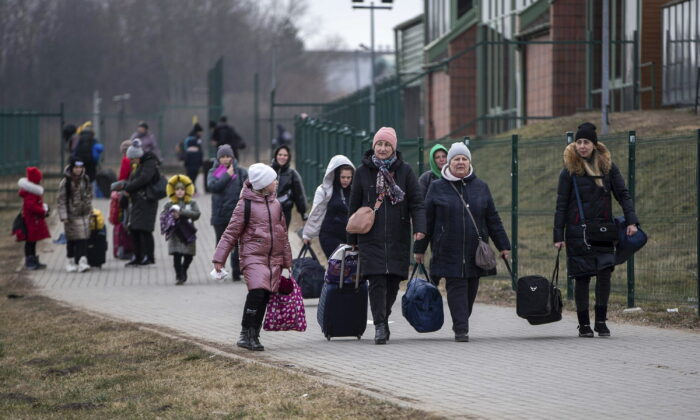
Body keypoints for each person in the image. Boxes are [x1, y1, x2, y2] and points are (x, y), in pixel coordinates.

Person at [414, 142, 511, 342]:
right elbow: (427, 221)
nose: (460, 162)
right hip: (447, 248)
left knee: (471, 290)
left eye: (464, 159)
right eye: (456, 159)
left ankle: (461, 320)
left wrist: (503, 245)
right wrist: (419, 249)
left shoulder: (481, 187)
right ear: (449, 163)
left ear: (469, 162)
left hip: (474, 250)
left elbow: (492, 218)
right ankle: (461, 328)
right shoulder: (437, 187)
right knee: (456, 286)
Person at [554, 122, 639, 338]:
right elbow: (561, 205)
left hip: (603, 230)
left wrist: (632, 221)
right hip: (577, 232)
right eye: (579, 142)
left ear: (594, 144)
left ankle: (601, 321)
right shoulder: (569, 172)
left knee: (604, 275)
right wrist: (558, 236)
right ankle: (584, 324)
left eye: (586, 142)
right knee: (581, 277)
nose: (582, 146)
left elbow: (623, 194)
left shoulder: (608, 168)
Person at [348, 127, 426, 345]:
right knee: (377, 280)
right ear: (374, 146)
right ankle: (380, 325)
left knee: (393, 281)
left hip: (398, 236)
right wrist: (351, 240)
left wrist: (419, 228)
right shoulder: (362, 172)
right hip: (369, 237)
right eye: (379, 144)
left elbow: (417, 203)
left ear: (394, 148)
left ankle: (384, 315)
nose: (382, 149)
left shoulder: (406, 172)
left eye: (387, 145)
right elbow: (353, 207)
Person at [212, 163, 293, 352]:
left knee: (265, 296)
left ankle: (254, 334)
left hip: (273, 259)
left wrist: (287, 262)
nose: (276, 182)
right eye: (273, 180)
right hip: (252, 256)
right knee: (256, 292)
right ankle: (245, 333)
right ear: (264, 184)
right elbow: (231, 232)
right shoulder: (245, 204)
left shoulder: (276, 204)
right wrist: (219, 258)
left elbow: (283, 234)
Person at [113, 139, 160, 266]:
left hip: (147, 200)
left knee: (145, 230)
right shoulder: (140, 165)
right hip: (138, 200)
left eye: (132, 159)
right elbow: (135, 179)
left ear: (137, 156)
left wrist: (128, 188)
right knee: (134, 229)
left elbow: (144, 179)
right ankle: (138, 256)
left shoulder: (149, 163)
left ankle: (148, 257)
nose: (131, 162)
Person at [208, 145, 248, 281]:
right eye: (222, 157)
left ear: (232, 157)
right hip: (219, 214)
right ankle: (219, 269)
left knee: (237, 244)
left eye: (228, 156)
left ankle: (237, 271)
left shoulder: (241, 172)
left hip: (236, 215)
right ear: (218, 158)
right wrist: (226, 175)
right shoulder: (214, 171)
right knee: (221, 243)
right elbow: (213, 186)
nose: (225, 159)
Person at [302, 155, 355, 258]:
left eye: (349, 177)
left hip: (349, 237)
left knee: (350, 269)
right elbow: (317, 212)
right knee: (336, 266)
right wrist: (307, 235)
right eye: (343, 177)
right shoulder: (324, 191)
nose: (346, 180)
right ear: (336, 176)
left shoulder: (355, 192)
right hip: (329, 235)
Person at [162, 175, 201, 285]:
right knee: (176, 255)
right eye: (177, 189)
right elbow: (163, 216)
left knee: (189, 255)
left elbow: (197, 214)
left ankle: (184, 270)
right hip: (175, 234)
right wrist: (171, 216)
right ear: (173, 190)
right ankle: (179, 276)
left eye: (182, 189)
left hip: (188, 232)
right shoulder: (169, 204)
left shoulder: (192, 203)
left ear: (186, 190)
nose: (179, 192)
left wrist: (182, 213)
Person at [57, 158, 93, 273]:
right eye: (76, 167)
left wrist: (90, 208)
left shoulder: (85, 179)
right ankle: (70, 261)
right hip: (71, 215)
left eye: (80, 167)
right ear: (72, 168)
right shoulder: (66, 182)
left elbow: (89, 194)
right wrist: (64, 216)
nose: (78, 170)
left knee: (83, 239)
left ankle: (82, 261)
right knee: (72, 239)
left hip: (84, 214)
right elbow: (61, 200)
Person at [16, 167, 50, 270]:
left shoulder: (32, 192)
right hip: (30, 221)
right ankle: (30, 261)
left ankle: (33, 259)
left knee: (33, 241)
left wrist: (43, 207)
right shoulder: (31, 193)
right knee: (30, 242)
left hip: (33, 221)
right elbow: (31, 206)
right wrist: (42, 210)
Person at [271, 145, 307, 228]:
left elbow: (299, 194)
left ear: (289, 157)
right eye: (280, 155)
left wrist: (303, 214)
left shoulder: (292, 174)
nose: (282, 157)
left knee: (281, 235)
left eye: (285, 155)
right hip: (268, 209)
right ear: (276, 156)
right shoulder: (268, 171)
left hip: (285, 210)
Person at [182, 123, 204, 189]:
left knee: (190, 176)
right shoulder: (197, 139)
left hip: (189, 160)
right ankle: (192, 189)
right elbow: (200, 150)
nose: (202, 133)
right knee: (193, 176)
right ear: (198, 131)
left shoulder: (188, 138)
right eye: (201, 132)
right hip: (195, 159)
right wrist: (200, 161)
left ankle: (191, 189)